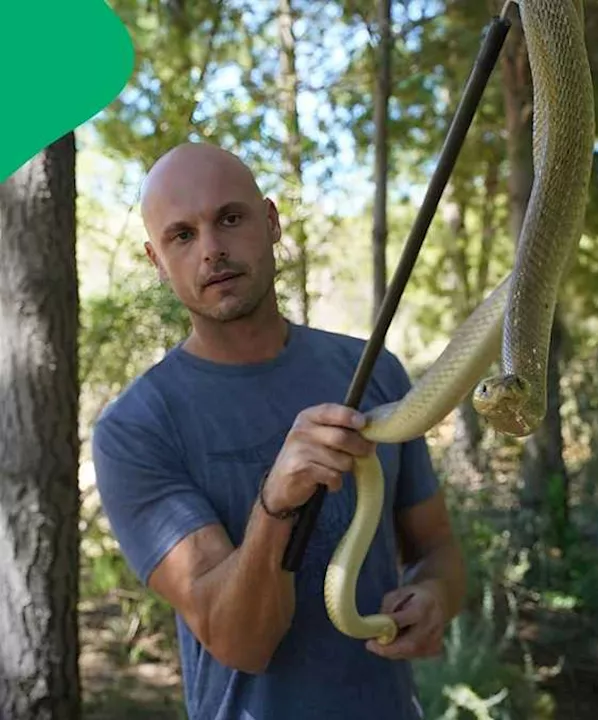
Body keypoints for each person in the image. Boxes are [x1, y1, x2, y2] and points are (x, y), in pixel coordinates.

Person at [91, 142, 465, 720]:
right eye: (182, 236)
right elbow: (240, 641)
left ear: (270, 222)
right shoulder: (135, 428)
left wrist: (436, 595)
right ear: (156, 261)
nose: (212, 249)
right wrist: (275, 503)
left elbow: (435, 547)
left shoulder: (371, 370)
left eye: (230, 219)